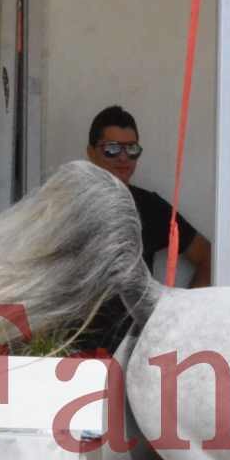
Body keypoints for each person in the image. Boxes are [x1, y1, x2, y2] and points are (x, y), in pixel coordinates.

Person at [76, 105, 215, 352]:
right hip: (72, 353)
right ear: (91, 152)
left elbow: (208, 257)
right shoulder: (67, 206)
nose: (123, 158)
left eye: (132, 149)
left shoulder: (150, 207)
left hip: (135, 351)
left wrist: (178, 319)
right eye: (112, 149)